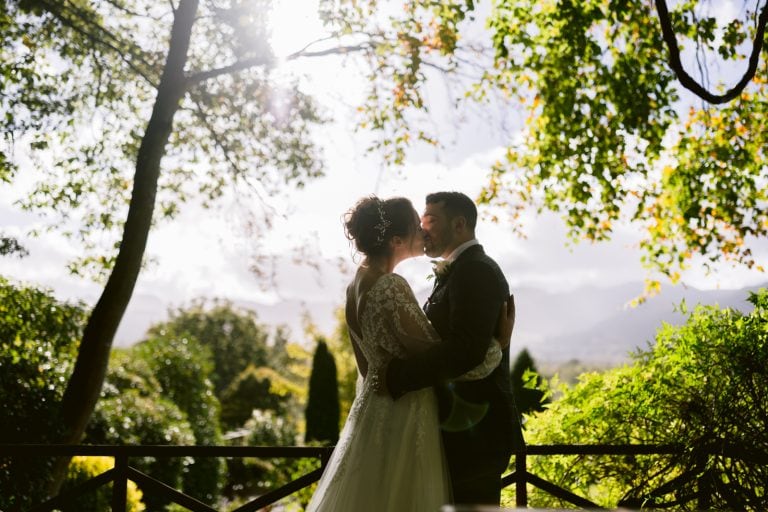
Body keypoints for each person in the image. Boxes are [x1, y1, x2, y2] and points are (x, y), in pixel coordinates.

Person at [306, 196, 512, 512]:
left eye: (429, 220)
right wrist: (499, 344)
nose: (423, 230)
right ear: (397, 240)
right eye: (418, 224)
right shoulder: (391, 286)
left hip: (373, 414)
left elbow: (367, 368)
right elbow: (452, 357)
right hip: (405, 416)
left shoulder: (355, 286)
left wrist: (387, 376)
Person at [386, 191, 524, 506]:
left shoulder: (475, 270)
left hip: (477, 433)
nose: (422, 230)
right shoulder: (459, 269)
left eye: (430, 220)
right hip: (461, 428)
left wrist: (399, 376)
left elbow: (465, 350)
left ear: (459, 224)